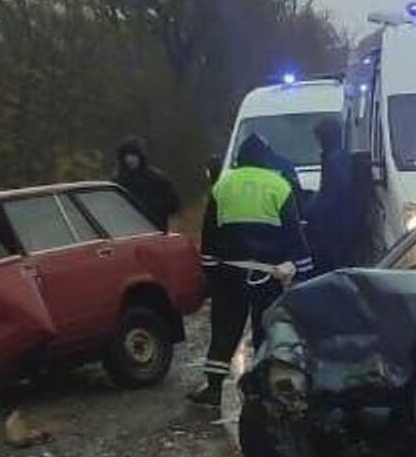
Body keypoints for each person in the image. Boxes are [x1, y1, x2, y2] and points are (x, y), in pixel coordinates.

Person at [190, 133, 315, 406]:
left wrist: (210, 271)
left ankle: (212, 388)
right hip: (268, 276)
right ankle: (260, 388)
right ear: (266, 159)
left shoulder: (222, 186)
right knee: (265, 329)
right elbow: (294, 236)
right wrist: (305, 274)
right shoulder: (279, 186)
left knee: (224, 329)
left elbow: (209, 235)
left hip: (229, 275)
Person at [302, 118, 355, 273]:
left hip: (336, 224)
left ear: (325, 137)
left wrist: (310, 210)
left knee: (333, 267)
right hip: (338, 222)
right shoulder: (333, 156)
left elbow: (336, 192)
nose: (318, 142)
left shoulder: (335, 159)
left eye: (319, 138)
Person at [113, 136, 181, 231]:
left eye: (133, 155)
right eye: (126, 156)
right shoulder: (117, 182)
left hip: (156, 231)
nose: (129, 159)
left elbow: (174, 207)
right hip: (126, 232)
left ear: (140, 156)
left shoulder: (157, 179)